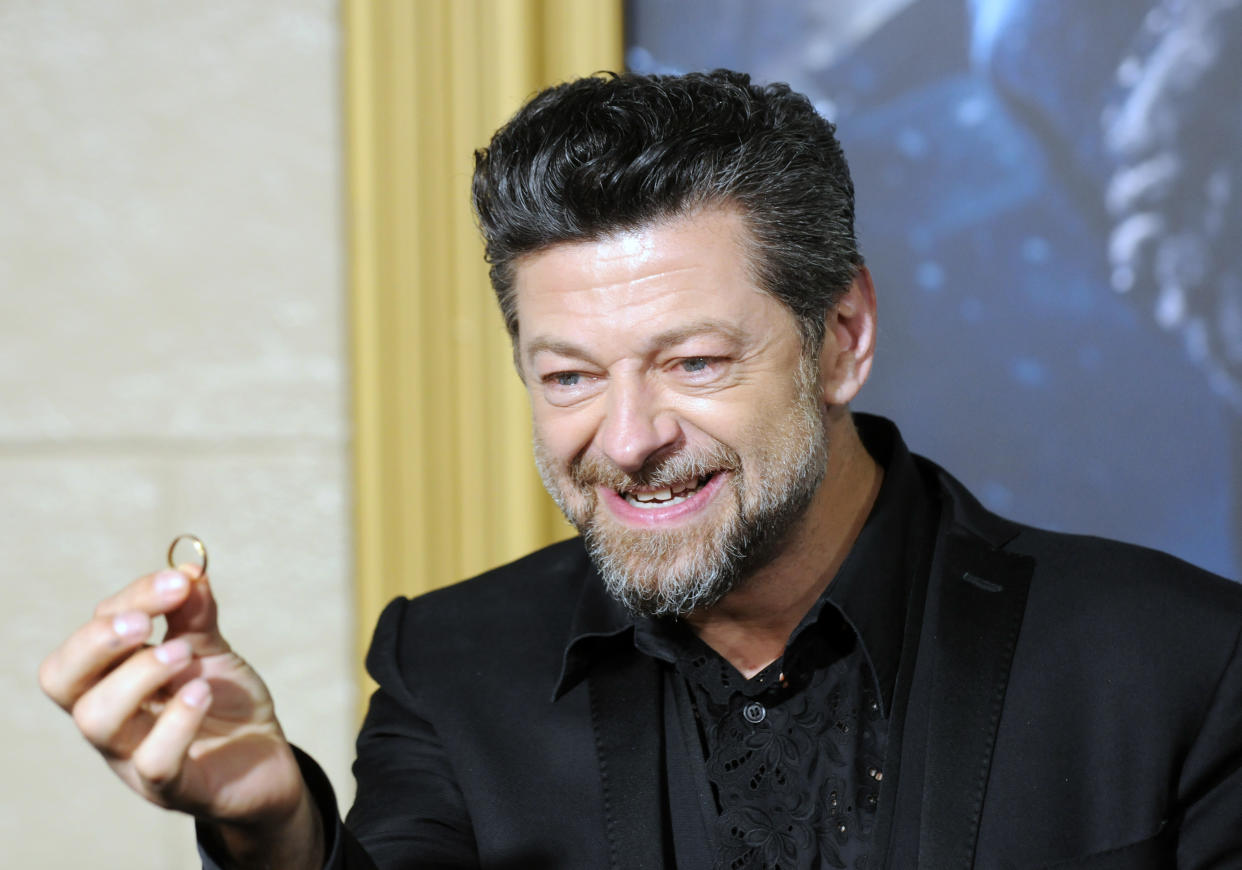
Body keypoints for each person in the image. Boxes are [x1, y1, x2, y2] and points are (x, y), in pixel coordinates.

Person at [39, 70, 1242, 870]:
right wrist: (276, 833)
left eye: (693, 361)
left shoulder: (1179, 661)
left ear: (843, 338)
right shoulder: (451, 669)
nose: (625, 439)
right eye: (568, 377)